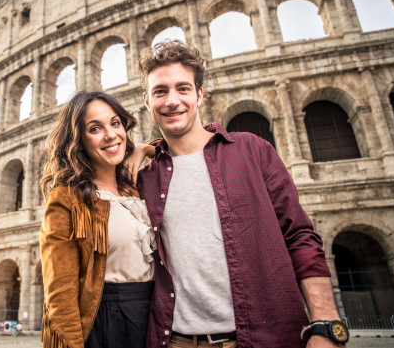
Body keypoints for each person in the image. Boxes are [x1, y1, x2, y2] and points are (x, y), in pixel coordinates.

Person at [136, 41, 349, 348]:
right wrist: (139, 151)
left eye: (183, 88)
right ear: (147, 100)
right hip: (176, 340)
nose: (172, 101)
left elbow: (300, 236)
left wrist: (326, 323)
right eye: (160, 91)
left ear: (199, 94)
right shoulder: (145, 180)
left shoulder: (253, 150)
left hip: (262, 337)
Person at [40, 90, 157, 348]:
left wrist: (145, 148)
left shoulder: (136, 188)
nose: (111, 135)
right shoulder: (67, 199)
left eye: (115, 123)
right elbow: (60, 294)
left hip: (157, 316)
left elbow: (190, 149)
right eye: (95, 128)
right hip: (107, 318)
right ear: (78, 141)